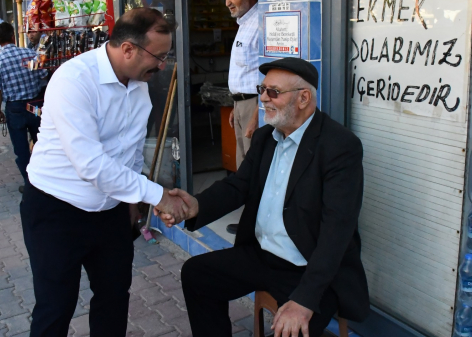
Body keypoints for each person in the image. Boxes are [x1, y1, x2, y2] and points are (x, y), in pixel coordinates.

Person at [156, 58, 370, 337]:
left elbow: (336, 232)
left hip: (308, 269)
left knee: (292, 328)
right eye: (263, 89)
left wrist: (305, 299)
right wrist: (195, 205)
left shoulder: (339, 146)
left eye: (274, 92)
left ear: (303, 98)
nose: (264, 99)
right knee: (197, 275)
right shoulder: (266, 137)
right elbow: (238, 186)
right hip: (261, 256)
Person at [21, 7, 190, 337]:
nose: (162, 65)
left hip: (110, 213)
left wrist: (132, 205)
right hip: (56, 212)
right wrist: (157, 196)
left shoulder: (138, 84)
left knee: (114, 299)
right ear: (128, 49)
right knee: (56, 307)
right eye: (158, 56)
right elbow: (91, 164)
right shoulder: (74, 80)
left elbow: (128, 152)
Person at [0, 22, 46, 192]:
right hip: (35, 105)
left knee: (21, 149)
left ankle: (31, 185)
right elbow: (43, 74)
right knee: (42, 142)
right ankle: (47, 180)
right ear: (13, 36)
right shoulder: (29, 54)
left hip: (15, 108)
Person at [224, 0, 260, 234]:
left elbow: (268, 72)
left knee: (254, 165)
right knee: (243, 166)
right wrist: (236, 106)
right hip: (241, 106)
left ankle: (255, 223)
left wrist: (258, 110)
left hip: (254, 106)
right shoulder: (243, 25)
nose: (227, 2)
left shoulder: (260, 23)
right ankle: (249, 219)